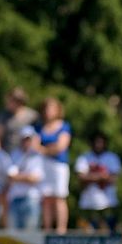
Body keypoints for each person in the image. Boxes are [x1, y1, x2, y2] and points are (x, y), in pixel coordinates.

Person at [36, 97, 71, 234]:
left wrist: (44, 150)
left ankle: (61, 230)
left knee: (59, 197)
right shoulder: (40, 127)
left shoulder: (64, 126)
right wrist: (49, 149)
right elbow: (35, 145)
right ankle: (47, 229)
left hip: (58, 165)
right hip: (43, 165)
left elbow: (61, 147)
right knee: (46, 198)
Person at [74, 132, 121, 233]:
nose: (98, 145)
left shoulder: (112, 158)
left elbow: (113, 178)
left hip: (108, 203)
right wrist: (101, 176)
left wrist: (91, 176)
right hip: (87, 203)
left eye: (100, 142)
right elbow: (81, 177)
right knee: (87, 232)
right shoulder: (84, 158)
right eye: (95, 142)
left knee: (108, 232)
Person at [6, 126, 44, 230]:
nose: (26, 142)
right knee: (13, 234)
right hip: (14, 199)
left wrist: (18, 177)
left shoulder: (37, 156)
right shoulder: (14, 154)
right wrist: (26, 177)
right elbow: (10, 177)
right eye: (24, 139)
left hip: (31, 199)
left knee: (29, 234)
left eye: (28, 139)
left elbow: (34, 178)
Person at [0, 87, 38, 152]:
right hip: (7, 152)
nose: (6, 103)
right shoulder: (3, 115)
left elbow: (37, 135)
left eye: (9, 101)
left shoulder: (32, 115)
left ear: (18, 102)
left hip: (26, 153)